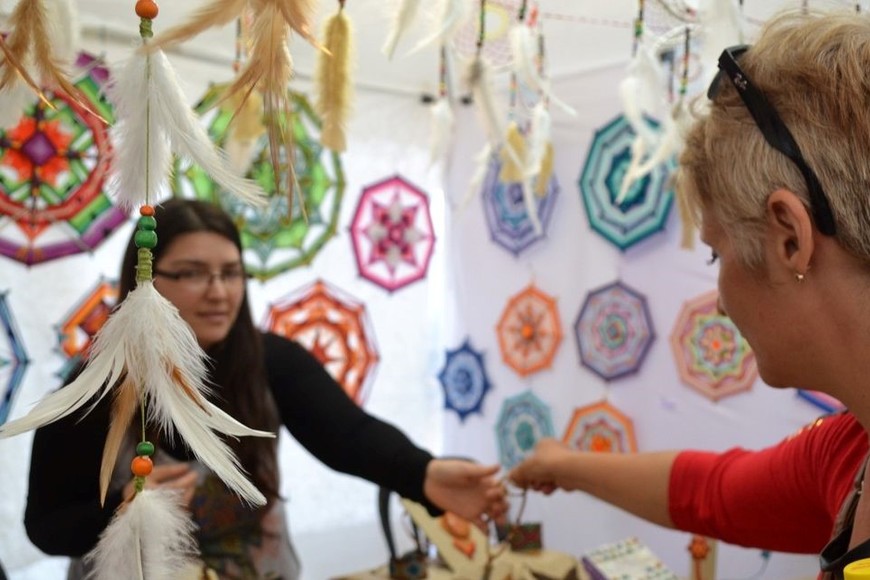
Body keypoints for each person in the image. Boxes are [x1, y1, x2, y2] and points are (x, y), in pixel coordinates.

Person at [509, 9, 870, 580]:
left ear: (790, 237)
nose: (722, 302)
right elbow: (714, 492)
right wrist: (563, 464)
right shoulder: (852, 453)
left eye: (716, 253)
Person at [24, 197, 507, 579]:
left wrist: (422, 473)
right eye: (192, 273)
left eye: (232, 272)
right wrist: (120, 508)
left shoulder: (270, 361)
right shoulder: (94, 392)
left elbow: (350, 436)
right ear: (145, 280)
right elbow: (45, 527)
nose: (219, 291)